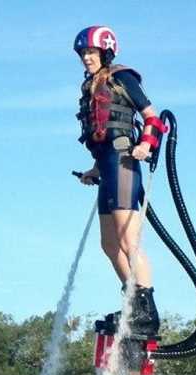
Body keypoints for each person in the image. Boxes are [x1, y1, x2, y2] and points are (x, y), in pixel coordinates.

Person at [73, 26, 165, 337]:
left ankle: (147, 311)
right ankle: (132, 303)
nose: (87, 58)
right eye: (84, 53)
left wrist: (145, 146)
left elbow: (153, 118)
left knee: (129, 242)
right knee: (109, 245)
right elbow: (102, 136)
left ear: (105, 53)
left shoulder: (122, 78)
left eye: (91, 53)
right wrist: (94, 170)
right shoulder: (91, 85)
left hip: (125, 164)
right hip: (107, 166)